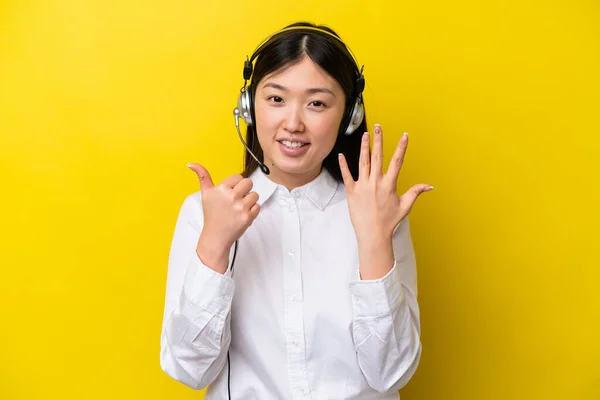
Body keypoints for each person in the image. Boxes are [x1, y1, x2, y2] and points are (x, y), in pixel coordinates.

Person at [159, 21, 433, 400]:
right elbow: (189, 369)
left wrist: (374, 241)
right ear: (249, 107)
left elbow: (390, 374)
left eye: (317, 103)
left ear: (349, 116)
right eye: (276, 99)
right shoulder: (204, 213)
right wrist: (214, 247)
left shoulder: (379, 214)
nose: (293, 123)